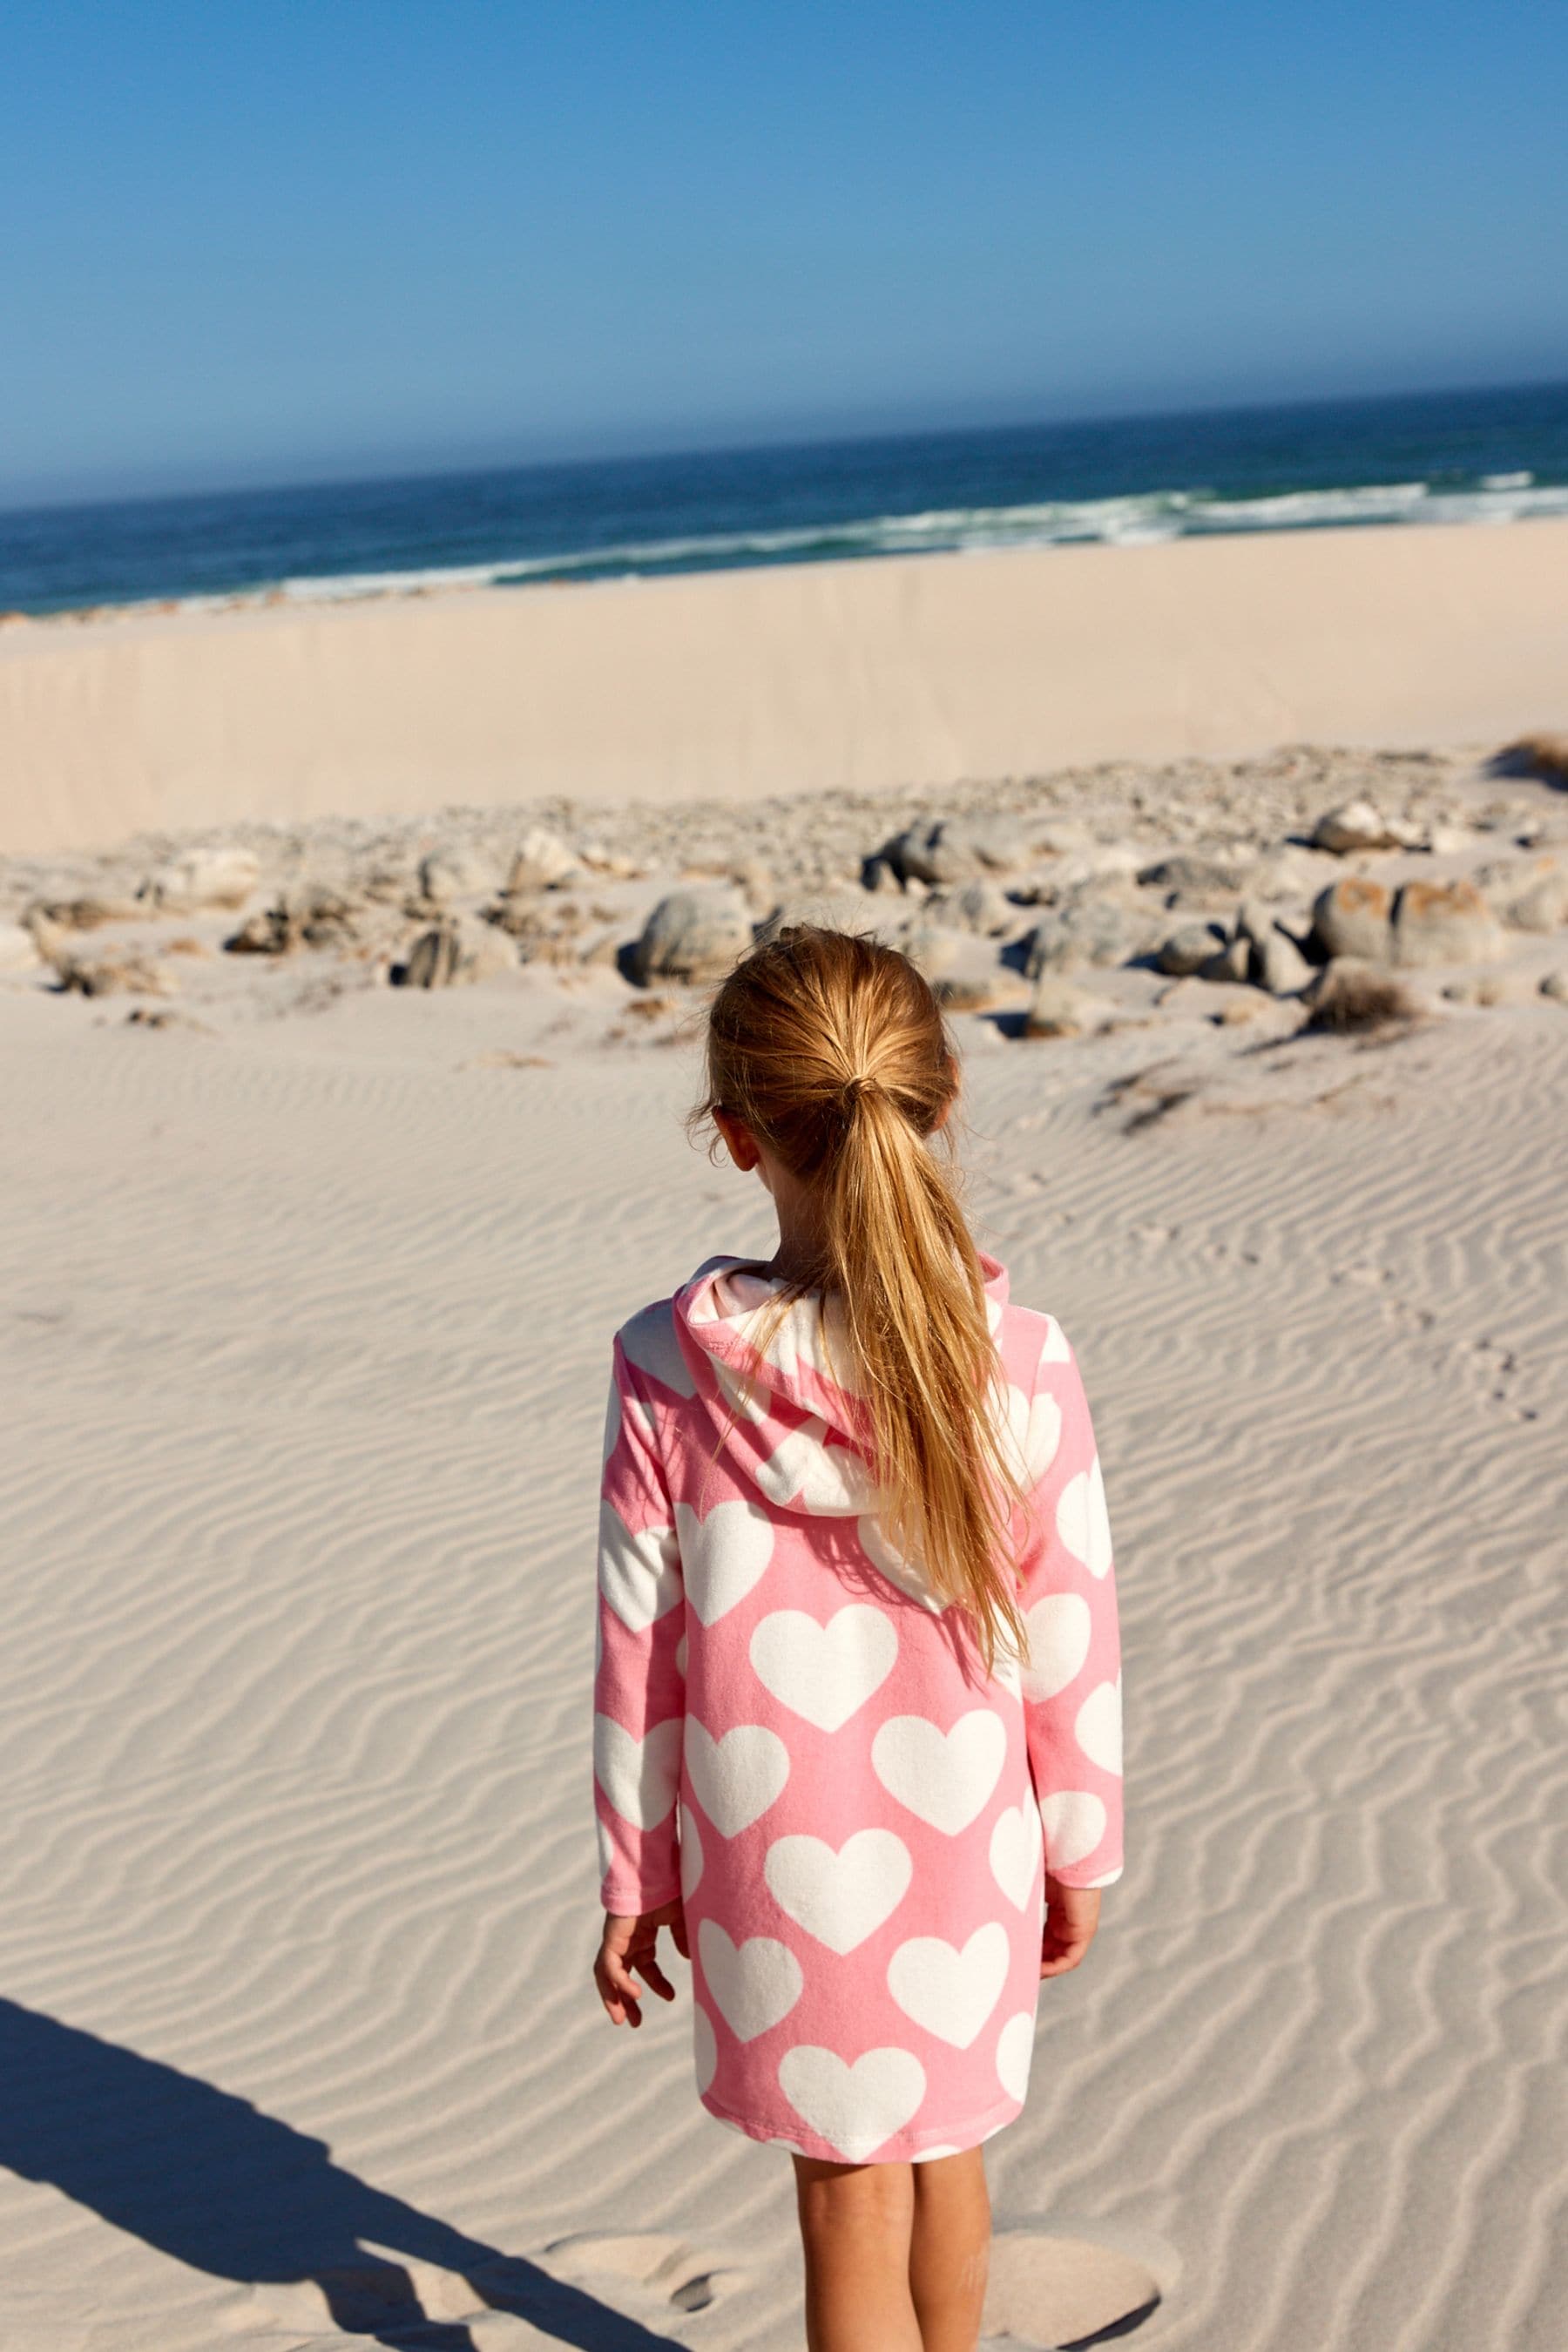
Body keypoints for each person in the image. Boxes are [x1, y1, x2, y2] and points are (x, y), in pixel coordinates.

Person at [590, 926, 1124, 2352]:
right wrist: (1077, 1845)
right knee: (948, 2146)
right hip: (973, 1848)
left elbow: (638, 1658)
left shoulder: (666, 1370)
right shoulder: (1019, 1361)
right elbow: (1074, 1637)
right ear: (941, 1103)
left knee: (845, 2193)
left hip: (772, 1859)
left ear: (735, 1133)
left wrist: (637, 1874)